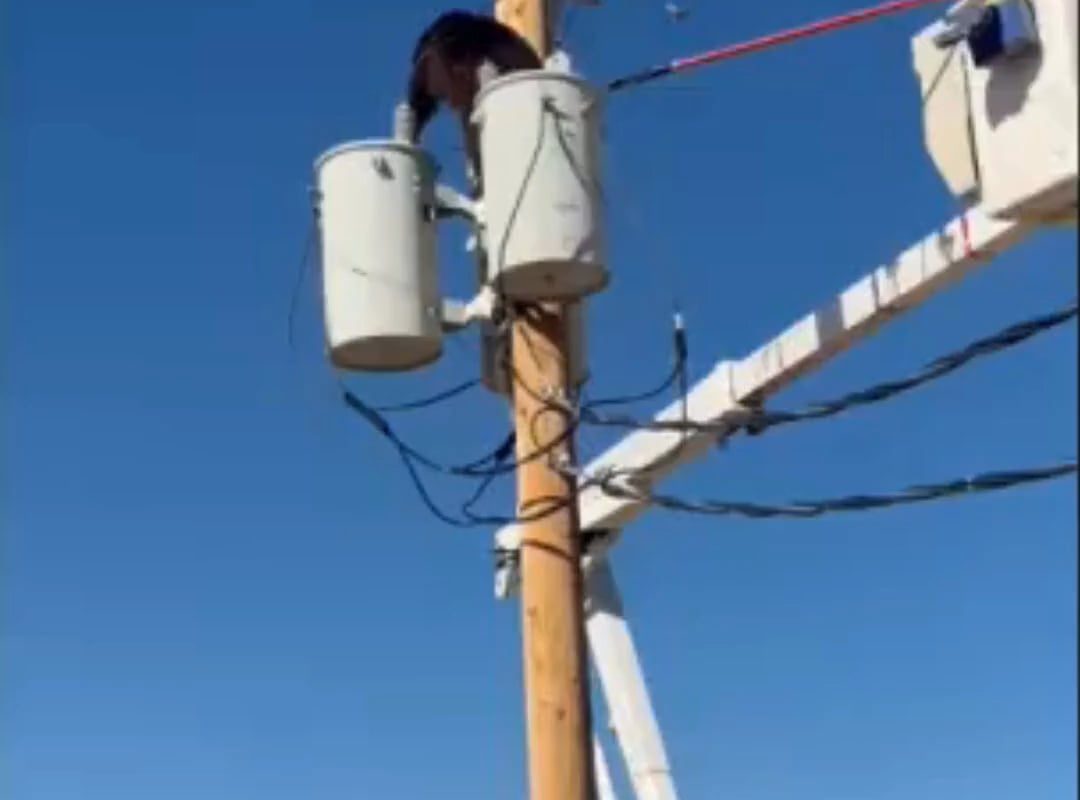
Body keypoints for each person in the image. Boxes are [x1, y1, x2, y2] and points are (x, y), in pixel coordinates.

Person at [405, 10, 543, 194]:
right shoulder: (445, 71)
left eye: (445, 95)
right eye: (442, 97)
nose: (451, 104)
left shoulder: (491, 74)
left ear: (462, 68)